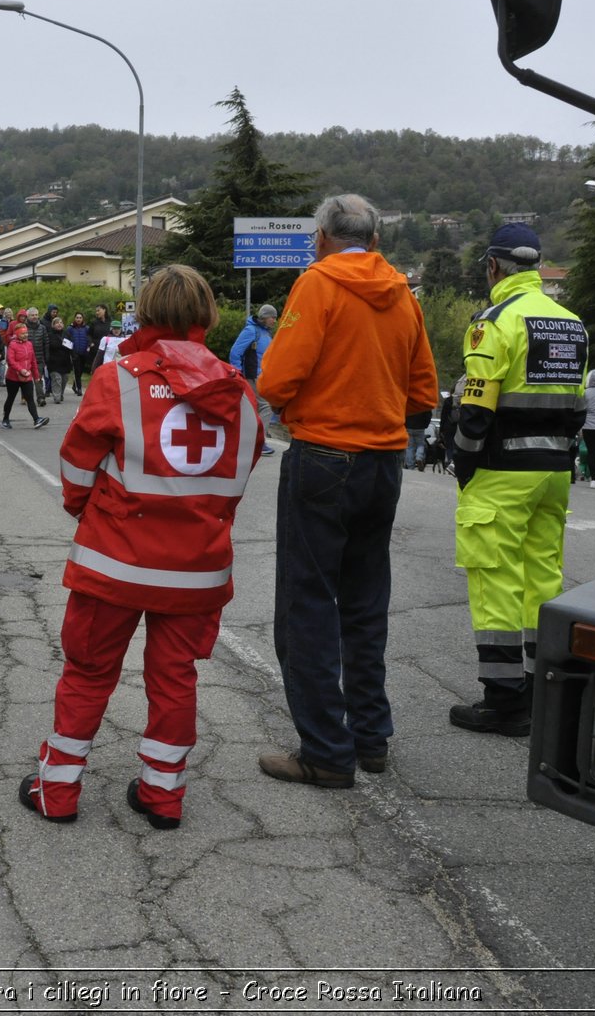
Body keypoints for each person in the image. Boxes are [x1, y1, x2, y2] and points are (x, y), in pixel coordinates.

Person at [20, 264, 264, 827]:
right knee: (176, 679)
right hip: (197, 571)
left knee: (87, 673)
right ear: (207, 315)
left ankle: (56, 792)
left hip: (114, 565)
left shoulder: (119, 379)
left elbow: (76, 468)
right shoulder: (238, 390)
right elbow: (236, 481)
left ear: (146, 311)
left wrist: (93, 515)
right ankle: (162, 797)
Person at [255, 193, 438, 787]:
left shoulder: (318, 284)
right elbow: (423, 391)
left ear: (320, 237)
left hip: (324, 455)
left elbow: (279, 376)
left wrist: (292, 406)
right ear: (376, 238)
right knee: (364, 601)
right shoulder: (403, 294)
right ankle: (369, 736)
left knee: (306, 605)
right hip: (383, 462)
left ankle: (326, 752)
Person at [451, 223, 588, 736]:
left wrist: (464, 463)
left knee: (495, 579)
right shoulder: (572, 323)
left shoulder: (495, 321)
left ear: (494, 266)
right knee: (541, 580)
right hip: (554, 472)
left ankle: (504, 702)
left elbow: (476, 409)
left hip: (502, 471)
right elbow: (577, 409)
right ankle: (540, 691)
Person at [230, 304, 278, 455]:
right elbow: (235, 352)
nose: (274, 320)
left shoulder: (266, 333)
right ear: (264, 317)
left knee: (254, 408)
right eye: (272, 317)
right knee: (266, 407)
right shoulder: (251, 331)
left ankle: (248, 441)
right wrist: (238, 374)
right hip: (252, 376)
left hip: (262, 377)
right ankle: (260, 443)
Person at [0, 324, 48, 430]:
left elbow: (33, 361)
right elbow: (10, 361)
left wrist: (36, 376)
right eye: (23, 333)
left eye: (26, 333)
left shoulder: (29, 344)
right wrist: (20, 369)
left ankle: (36, 419)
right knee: (11, 398)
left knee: (30, 398)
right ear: (17, 334)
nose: (25, 335)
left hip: (27, 377)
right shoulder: (12, 345)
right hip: (13, 378)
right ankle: (5, 419)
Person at [45, 316, 74, 406]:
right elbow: (52, 345)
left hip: (65, 361)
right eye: (57, 323)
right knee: (57, 379)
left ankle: (60, 394)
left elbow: (71, 345)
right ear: (53, 325)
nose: (59, 324)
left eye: (61, 322)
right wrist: (62, 344)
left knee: (64, 379)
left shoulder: (66, 334)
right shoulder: (50, 334)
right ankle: (56, 397)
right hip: (54, 361)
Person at [67, 312, 91, 395]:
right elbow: (67, 339)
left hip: (84, 352)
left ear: (82, 319)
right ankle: (79, 388)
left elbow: (89, 338)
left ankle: (74, 385)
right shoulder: (70, 328)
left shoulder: (87, 328)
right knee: (77, 370)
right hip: (74, 352)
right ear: (75, 318)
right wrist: (70, 351)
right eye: (77, 317)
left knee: (80, 371)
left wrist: (89, 346)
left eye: (80, 317)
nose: (78, 319)